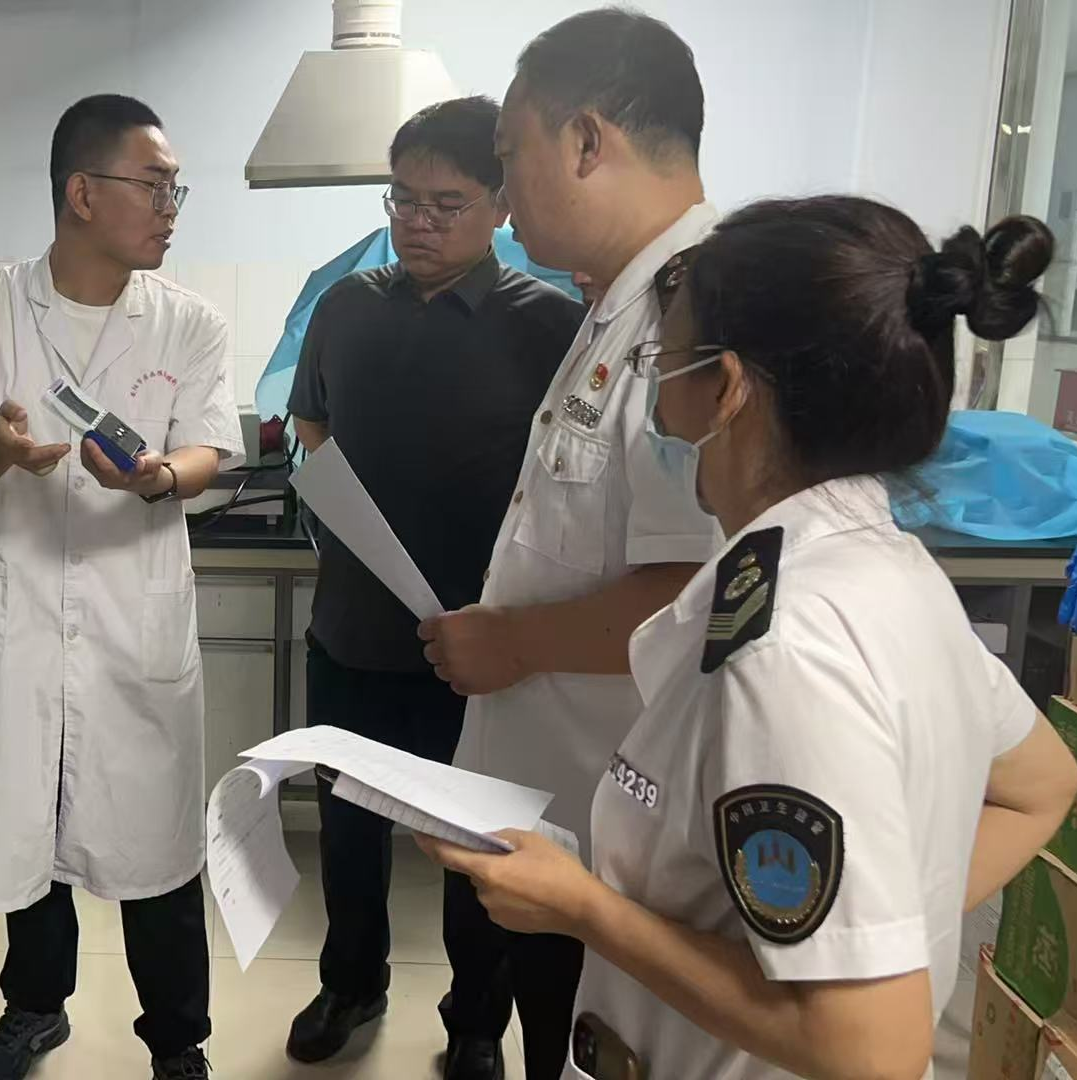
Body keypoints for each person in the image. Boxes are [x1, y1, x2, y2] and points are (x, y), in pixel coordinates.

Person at [423, 196, 1077, 1079]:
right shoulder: (890, 568)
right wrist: (886, 931)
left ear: (726, 389)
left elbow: (872, 1050)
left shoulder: (786, 650)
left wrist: (580, 907)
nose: (657, 404)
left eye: (662, 363)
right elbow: (1041, 785)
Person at [0, 94, 241, 1080]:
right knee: (26, 833)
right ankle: (35, 1009)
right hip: (24, 620)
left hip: (136, 625)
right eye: (154, 185)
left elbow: (210, 449)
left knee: (158, 848)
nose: (171, 207)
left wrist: (157, 476)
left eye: (175, 189)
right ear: (82, 194)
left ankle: (178, 1041)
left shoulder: (189, 324)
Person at [415, 11, 720, 1077]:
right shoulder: (616, 304)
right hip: (560, 817)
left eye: (509, 156)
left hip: (618, 837)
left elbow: (698, 588)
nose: (504, 191)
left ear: (587, 141)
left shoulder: (694, 319)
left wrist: (513, 642)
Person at [282, 96, 585, 1069]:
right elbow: (312, 425)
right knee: (349, 829)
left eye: (445, 204)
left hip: (482, 650)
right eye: (402, 199)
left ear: (500, 205)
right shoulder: (345, 309)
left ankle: (475, 1023)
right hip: (352, 633)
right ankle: (350, 984)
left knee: (476, 846)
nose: (417, 222)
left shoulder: (550, 325)